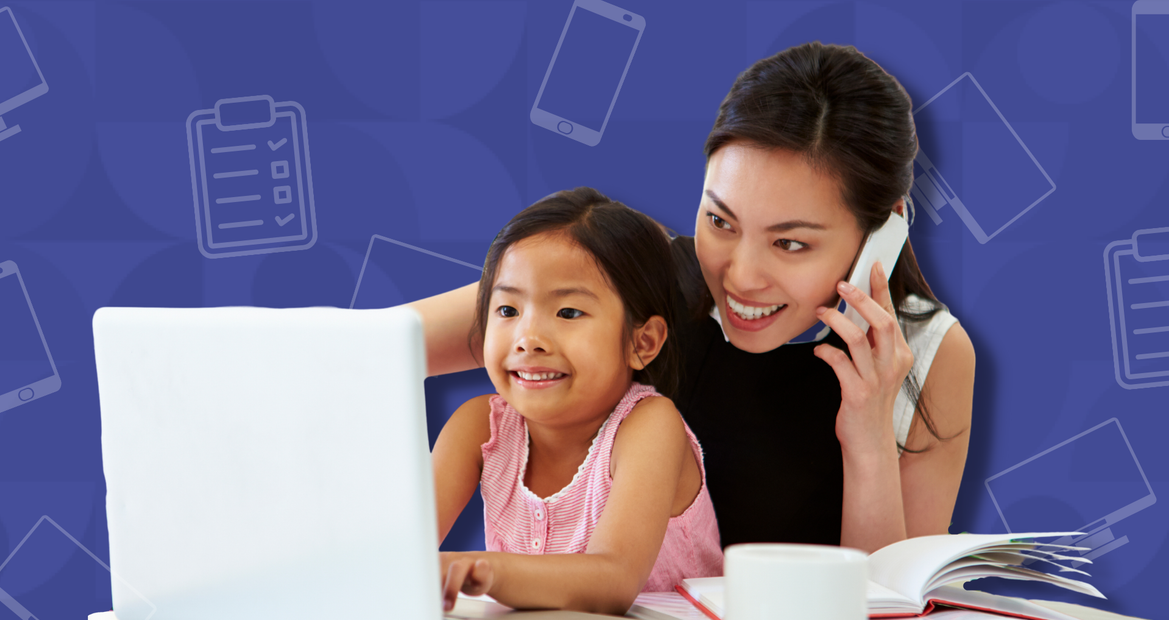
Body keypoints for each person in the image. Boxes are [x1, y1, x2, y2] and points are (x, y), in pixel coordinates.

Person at [412, 43, 975, 556]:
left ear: (885, 232)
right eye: (720, 221)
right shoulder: (632, 277)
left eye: (790, 243)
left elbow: (892, 614)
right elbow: (365, 349)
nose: (741, 276)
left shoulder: (931, 354)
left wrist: (870, 437)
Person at [432, 187, 723, 615]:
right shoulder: (478, 426)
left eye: (568, 313)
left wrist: (487, 570)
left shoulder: (649, 425)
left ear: (642, 341)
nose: (528, 340)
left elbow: (612, 582)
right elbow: (396, 548)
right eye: (508, 310)